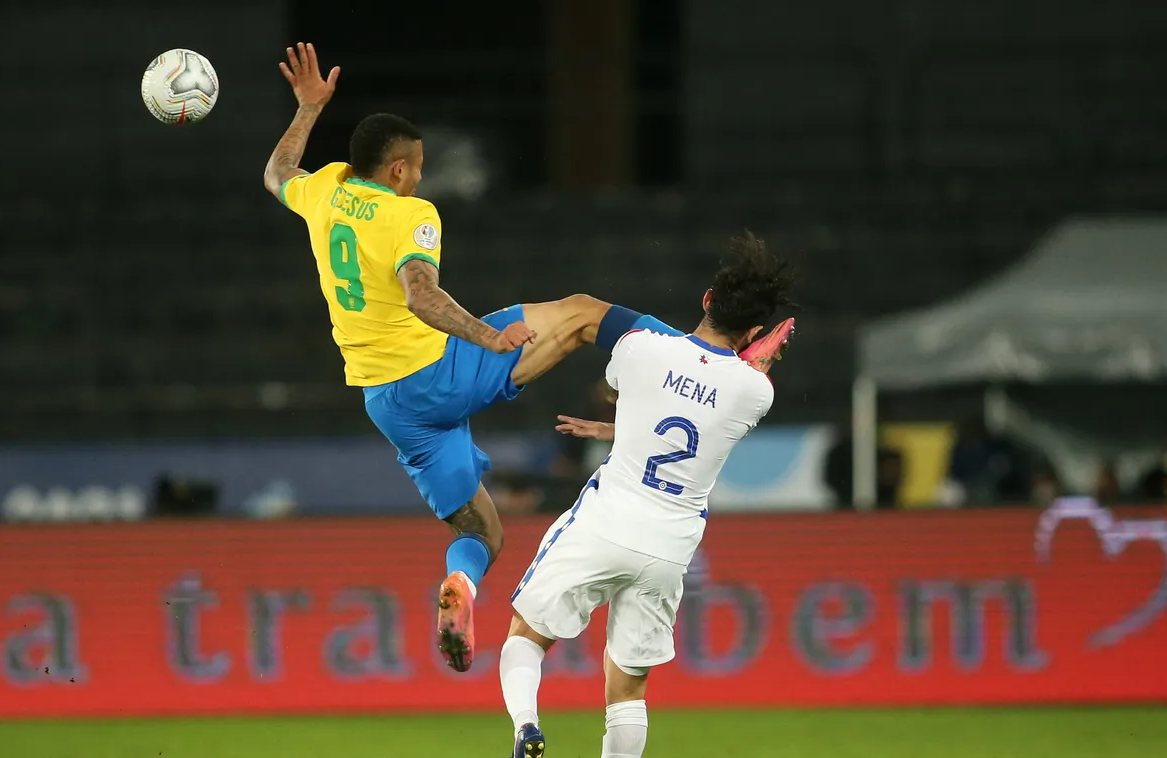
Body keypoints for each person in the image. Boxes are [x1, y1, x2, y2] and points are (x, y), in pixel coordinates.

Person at [261, 43, 793, 673]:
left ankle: (460, 588)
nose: (423, 177)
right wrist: (486, 339)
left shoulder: (327, 191)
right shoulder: (410, 214)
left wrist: (307, 109)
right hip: (437, 373)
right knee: (580, 314)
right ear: (400, 169)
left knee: (482, 533)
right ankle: (696, 353)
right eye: (421, 167)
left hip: (388, 403)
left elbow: (277, 173)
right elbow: (420, 293)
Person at [499, 233, 795, 758]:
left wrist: (620, 427)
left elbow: (620, 361)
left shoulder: (640, 347)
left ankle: (526, 727)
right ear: (754, 330)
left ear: (706, 298)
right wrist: (756, 361)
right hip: (667, 549)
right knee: (628, 687)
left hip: (607, 521)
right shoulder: (756, 391)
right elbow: (710, 409)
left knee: (526, 634)